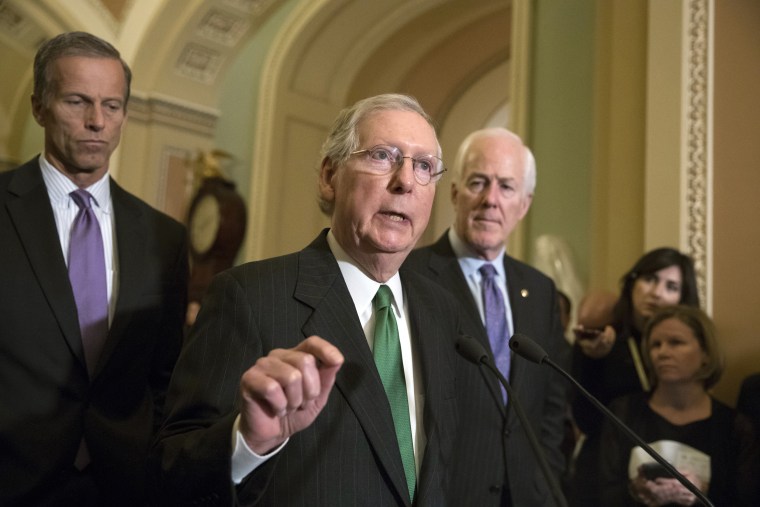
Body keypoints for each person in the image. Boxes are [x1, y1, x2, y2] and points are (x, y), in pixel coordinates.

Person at [152, 93, 479, 505]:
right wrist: (247, 442)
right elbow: (172, 471)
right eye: (383, 156)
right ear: (330, 176)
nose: (405, 181)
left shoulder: (442, 309)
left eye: (424, 166)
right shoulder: (249, 298)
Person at [0, 32, 188, 506]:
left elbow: (166, 375)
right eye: (77, 101)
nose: (96, 122)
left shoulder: (164, 238)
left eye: (112, 106)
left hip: (123, 485)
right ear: (40, 107)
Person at [404, 127, 570, 506]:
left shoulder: (541, 290)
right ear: (455, 192)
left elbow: (551, 406)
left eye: (506, 187)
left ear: (524, 204)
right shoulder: (410, 275)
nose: (491, 200)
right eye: (479, 182)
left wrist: (543, 489)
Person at [568, 248, 699, 506]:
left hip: (669, 466)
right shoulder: (602, 336)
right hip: (604, 472)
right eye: (649, 279)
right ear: (632, 283)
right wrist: (593, 360)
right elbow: (585, 419)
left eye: (671, 286)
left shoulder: (691, 347)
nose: (657, 292)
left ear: (683, 298)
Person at [599, 305, 760, 506]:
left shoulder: (735, 427)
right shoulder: (623, 412)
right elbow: (603, 492)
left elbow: (747, 500)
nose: (662, 352)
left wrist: (703, 492)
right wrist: (634, 491)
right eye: (655, 345)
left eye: (676, 343)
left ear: (706, 354)